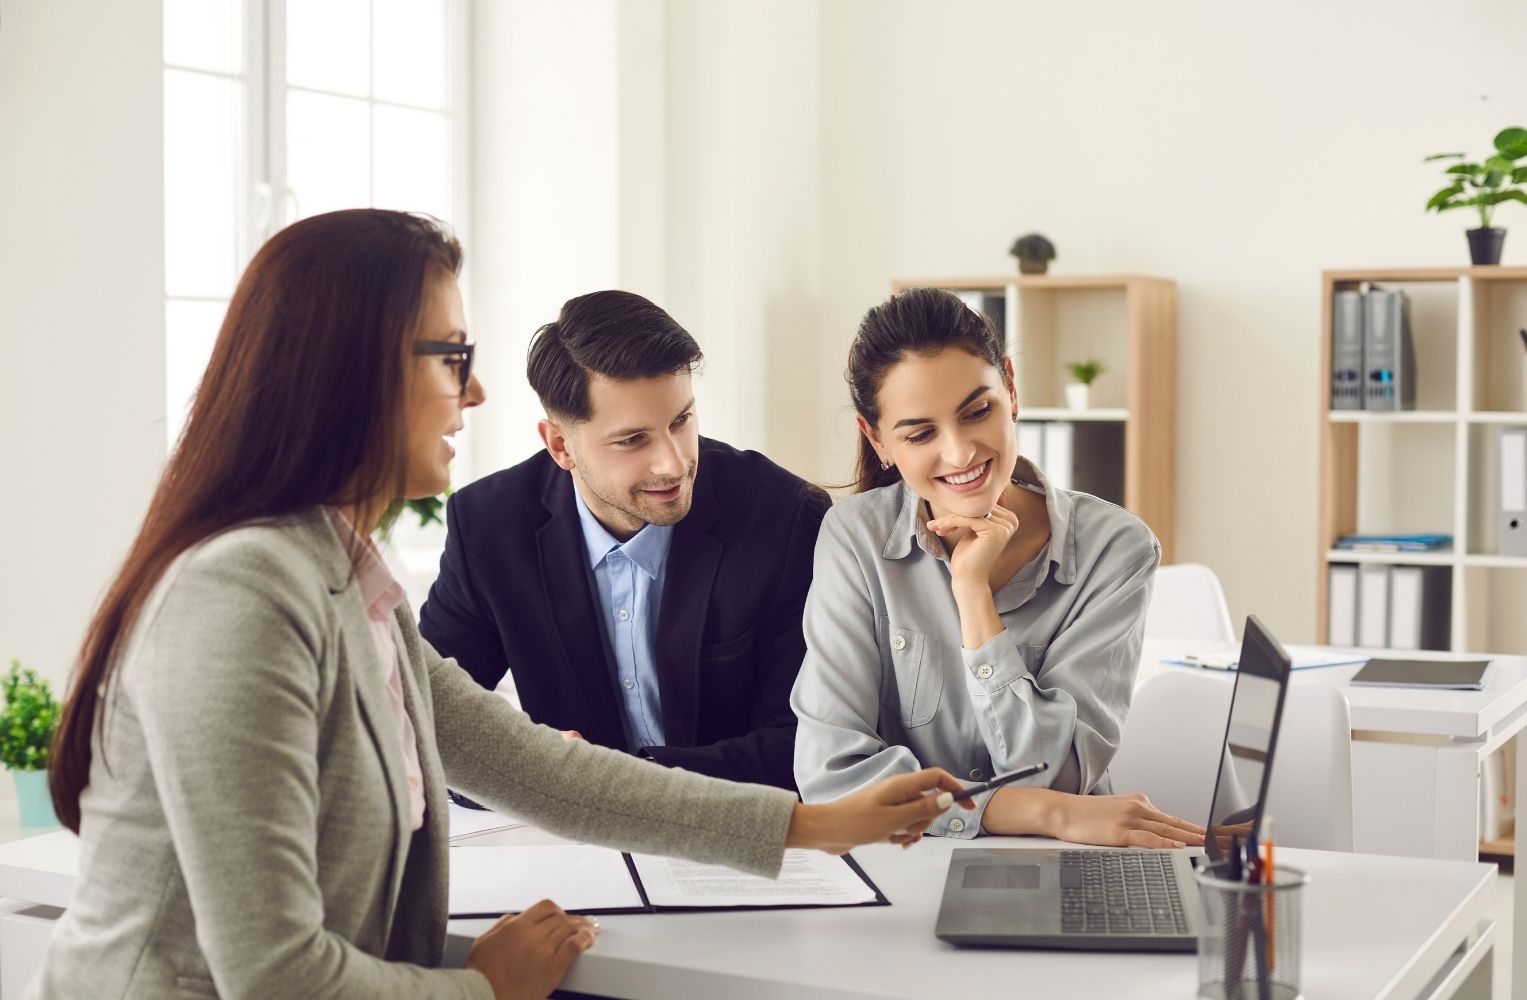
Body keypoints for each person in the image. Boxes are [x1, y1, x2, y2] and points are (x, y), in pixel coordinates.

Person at [31, 212, 970, 1000]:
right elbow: (275, 976)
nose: (471, 392)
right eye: (449, 357)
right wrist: (480, 987)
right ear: (348, 376)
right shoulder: (238, 593)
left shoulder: (341, 570)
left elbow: (536, 768)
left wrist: (816, 823)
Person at [790, 286, 1205, 848]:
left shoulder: (1117, 548)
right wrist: (1043, 812)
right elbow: (832, 780)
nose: (961, 454)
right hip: (905, 868)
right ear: (877, 439)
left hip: (1065, 863)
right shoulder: (854, 538)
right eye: (920, 433)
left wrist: (973, 595)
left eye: (977, 411)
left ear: (1010, 387)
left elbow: (1060, 775)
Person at [419, 290, 827, 790]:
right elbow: (422, 724)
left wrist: (611, 781)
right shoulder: (489, 527)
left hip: (743, 836)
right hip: (573, 848)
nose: (674, 463)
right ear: (560, 445)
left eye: (682, 421)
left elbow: (807, 743)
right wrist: (524, 763)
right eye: (633, 440)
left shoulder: (782, 515)